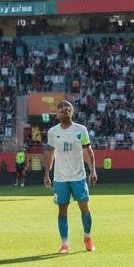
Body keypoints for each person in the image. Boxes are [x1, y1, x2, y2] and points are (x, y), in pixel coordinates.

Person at [43, 100, 97, 255]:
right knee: (62, 210)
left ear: (71, 113)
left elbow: (88, 151)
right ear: (57, 114)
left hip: (78, 176)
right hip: (60, 178)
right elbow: (49, 153)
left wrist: (92, 170)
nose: (63, 111)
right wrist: (47, 173)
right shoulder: (53, 132)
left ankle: (87, 237)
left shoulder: (81, 130)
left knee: (84, 208)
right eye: (60, 109)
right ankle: (64, 244)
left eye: (67, 109)